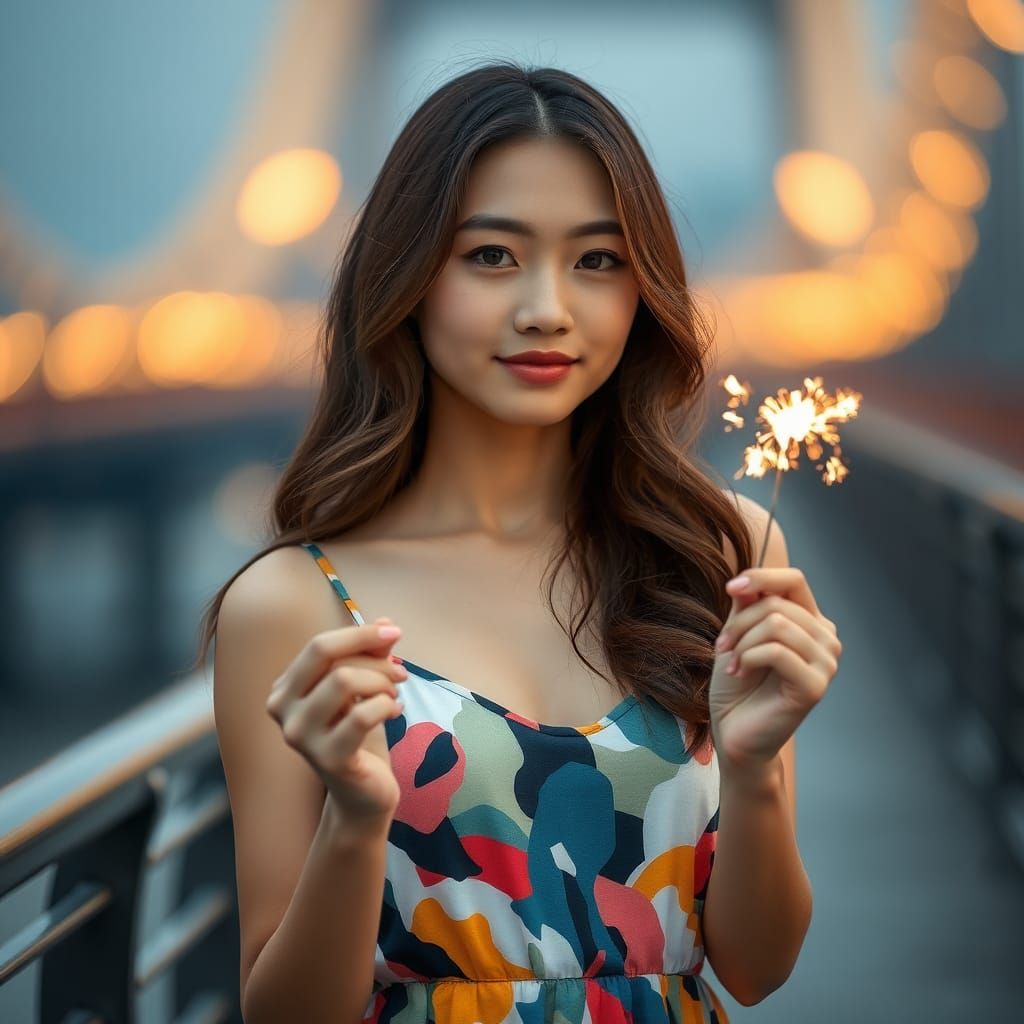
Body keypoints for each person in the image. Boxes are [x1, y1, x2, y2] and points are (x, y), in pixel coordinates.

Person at [195, 61, 842, 1024]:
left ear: (643, 290)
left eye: (597, 260)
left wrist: (751, 772)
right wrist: (355, 822)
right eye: (492, 256)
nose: (547, 306)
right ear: (408, 280)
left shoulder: (728, 553)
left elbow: (755, 967)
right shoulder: (293, 605)